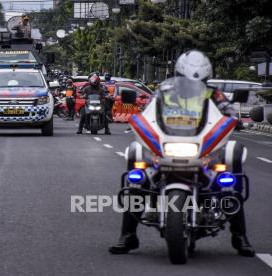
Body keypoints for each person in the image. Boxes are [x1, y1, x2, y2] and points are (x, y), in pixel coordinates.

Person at [109, 50, 255, 257]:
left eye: (200, 79)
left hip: (202, 146)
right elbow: (149, 111)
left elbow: (228, 111)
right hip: (168, 143)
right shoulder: (164, 91)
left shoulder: (213, 93)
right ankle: (127, 236)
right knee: (137, 174)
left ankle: (239, 237)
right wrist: (141, 121)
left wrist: (235, 120)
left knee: (230, 176)